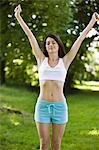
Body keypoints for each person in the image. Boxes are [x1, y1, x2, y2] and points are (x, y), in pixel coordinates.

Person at [14, 4, 99, 150]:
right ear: (45, 47)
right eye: (48, 43)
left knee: (56, 145)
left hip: (60, 107)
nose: (51, 45)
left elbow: (80, 39)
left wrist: (92, 22)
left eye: (53, 42)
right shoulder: (41, 60)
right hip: (43, 106)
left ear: (58, 45)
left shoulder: (64, 62)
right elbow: (30, 36)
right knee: (44, 144)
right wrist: (18, 17)